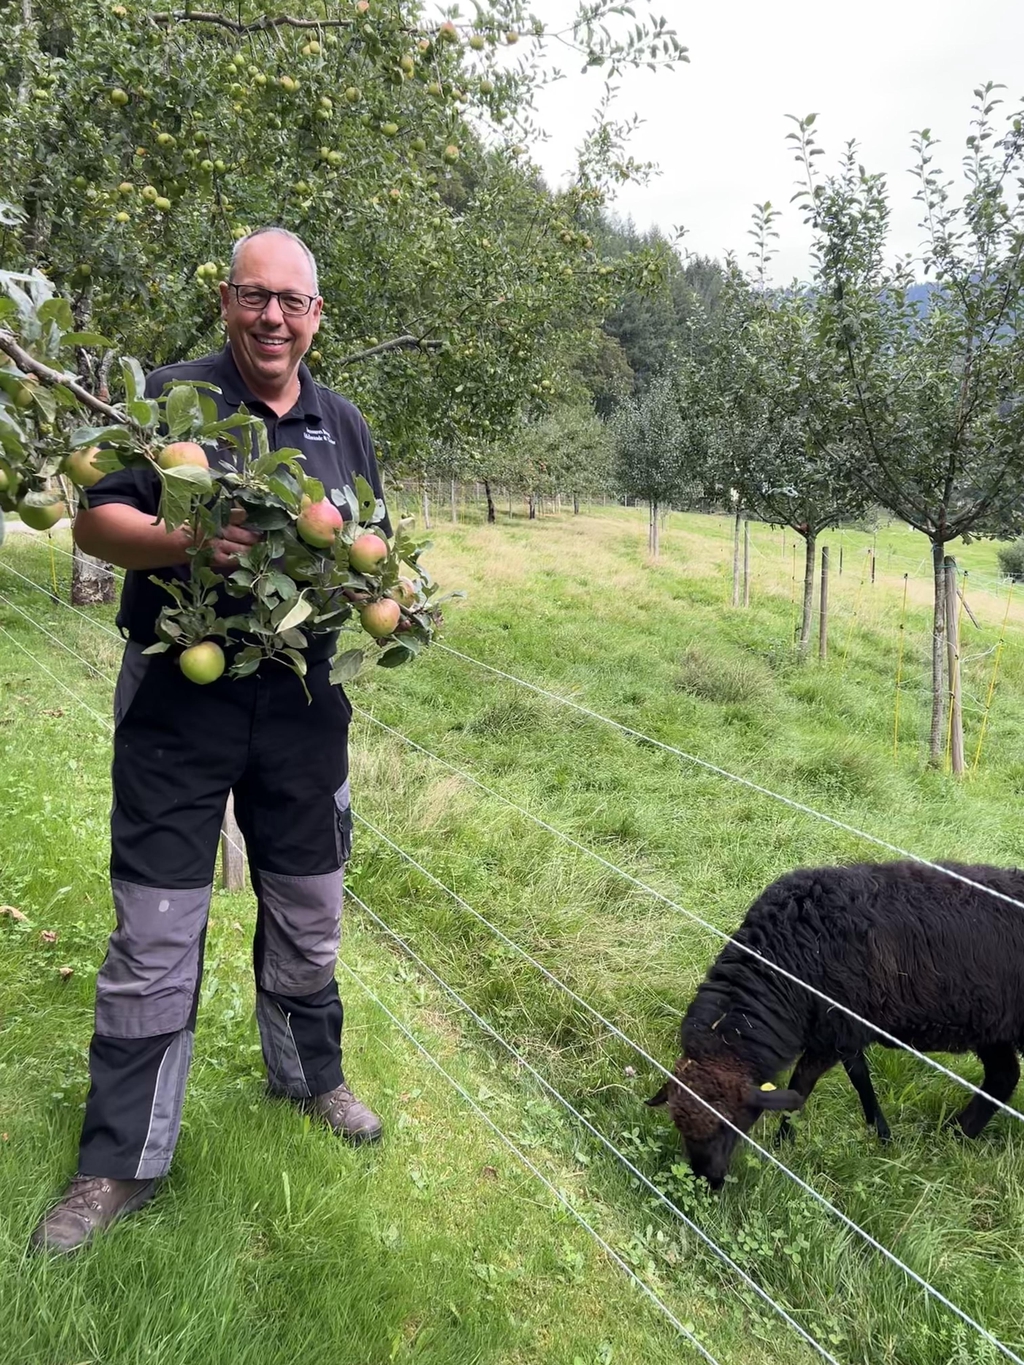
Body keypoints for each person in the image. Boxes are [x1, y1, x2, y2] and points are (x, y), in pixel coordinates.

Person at [31, 227, 387, 1255]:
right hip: (178, 711)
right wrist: (188, 540)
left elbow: (369, 545)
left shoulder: (343, 424)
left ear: (316, 317)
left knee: (311, 909)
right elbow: (96, 523)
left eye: (292, 301)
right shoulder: (167, 401)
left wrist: (387, 590)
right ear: (226, 301)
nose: (273, 317)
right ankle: (119, 1162)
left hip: (303, 709)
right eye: (253, 295)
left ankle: (309, 1077)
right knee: (155, 930)